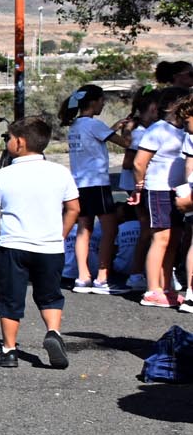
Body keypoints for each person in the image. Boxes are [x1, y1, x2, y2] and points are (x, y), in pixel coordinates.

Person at [0, 117, 80, 369]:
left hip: (14, 245)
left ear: (20, 142)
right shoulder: (60, 172)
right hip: (50, 247)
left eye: (8, 138)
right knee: (50, 296)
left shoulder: (3, 175)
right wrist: (62, 233)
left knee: (10, 298)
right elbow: (73, 208)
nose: (7, 143)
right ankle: (53, 333)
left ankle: (9, 349)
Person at [62, 86, 125, 293]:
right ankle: (102, 277)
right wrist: (128, 129)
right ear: (94, 102)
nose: (103, 104)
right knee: (109, 229)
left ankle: (82, 277)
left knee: (83, 230)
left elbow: (99, 137)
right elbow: (125, 143)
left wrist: (113, 127)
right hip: (97, 184)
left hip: (79, 185)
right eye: (101, 100)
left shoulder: (76, 126)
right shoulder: (94, 125)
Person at [130, 88, 187, 309]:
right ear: (173, 105)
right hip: (158, 190)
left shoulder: (183, 130)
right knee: (160, 239)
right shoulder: (158, 130)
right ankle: (152, 289)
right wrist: (139, 187)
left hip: (177, 191)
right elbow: (139, 162)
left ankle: (167, 288)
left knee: (173, 240)